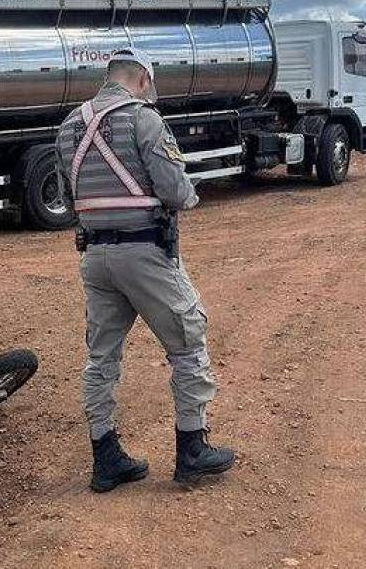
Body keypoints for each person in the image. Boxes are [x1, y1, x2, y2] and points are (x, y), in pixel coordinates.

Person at [55, 47, 235, 493]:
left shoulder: (68, 127)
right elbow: (175, 190)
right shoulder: (143, 119)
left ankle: (105, 458)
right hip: (145, 253)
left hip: (95, 258)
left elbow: (68, 196)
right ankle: (192, 450)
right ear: (141, 80)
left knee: (101, 360)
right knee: (188, 341)